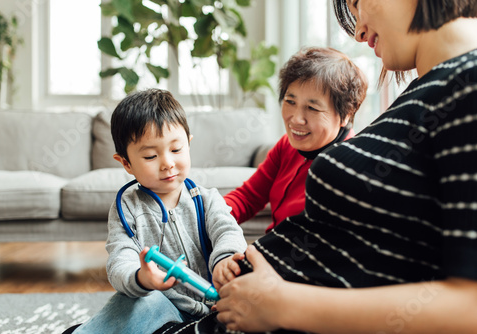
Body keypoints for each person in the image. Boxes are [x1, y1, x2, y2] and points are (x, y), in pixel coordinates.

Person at [213, 0, 477, 333]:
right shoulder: (425, 93)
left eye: (357, 3)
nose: (359, 30)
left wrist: (280, 303)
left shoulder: (467, 82)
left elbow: (471, 306)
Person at [73, 89, 247, 334]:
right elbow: (120, 259)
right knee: (137, 304)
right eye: (151, 155)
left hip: (217, 306)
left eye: (176, 150)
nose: (167, 163)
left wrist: (225, 259)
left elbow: (228, 232)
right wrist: (141, 278)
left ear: (189, 144)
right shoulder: (127, 208)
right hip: (163, 305)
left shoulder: (207, 200)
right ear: (126, 163)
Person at [224, 46, 368, 233]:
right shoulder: (287, 145)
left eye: (313, 108)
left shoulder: (346, 169)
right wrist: (207, 217)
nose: (296, 119)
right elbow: (248, 197)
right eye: (290, 102)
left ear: (346, 114)